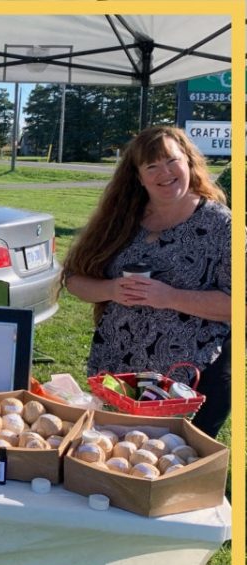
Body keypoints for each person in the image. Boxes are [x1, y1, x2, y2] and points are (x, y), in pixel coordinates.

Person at [61, 126, 232, 439]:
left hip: (187, 382)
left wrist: (168, 296)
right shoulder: (121, 219)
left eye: (171, 161)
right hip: (117, 372)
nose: (163, 173)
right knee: (114, 457)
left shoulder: (221, 225)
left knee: (171, 467)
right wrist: (110, 290)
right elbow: (73, 279)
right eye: (151, 166)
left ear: (190, 163)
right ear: (138, 177)